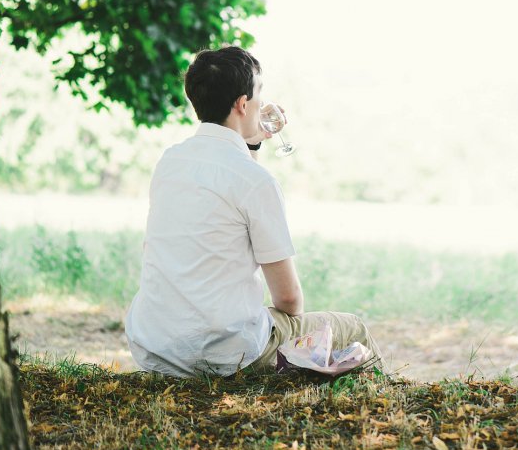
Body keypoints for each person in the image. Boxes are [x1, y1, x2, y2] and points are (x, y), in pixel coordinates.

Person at [124, 46, 381, 377]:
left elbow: (234, 182)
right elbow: (289, 301)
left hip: (155, 346)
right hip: (225, 354)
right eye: (259, 94)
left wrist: (253, 143)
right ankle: (389, 407)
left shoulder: (170, 162)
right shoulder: (257, 182)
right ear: (243, 104)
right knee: (353, 329)